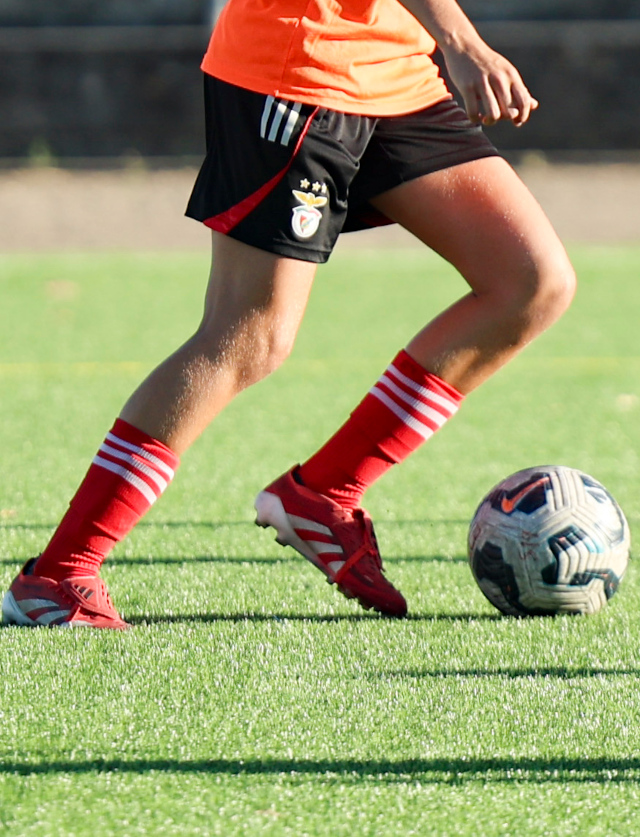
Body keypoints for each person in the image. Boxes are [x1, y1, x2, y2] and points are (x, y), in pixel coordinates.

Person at [2, 0, 576, 628]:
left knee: (530, 283)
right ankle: (59, 576)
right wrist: (462, 40)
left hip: (396, 72)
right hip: (297, 69)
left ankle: (323, 492)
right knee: (249, 335)